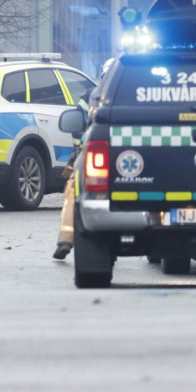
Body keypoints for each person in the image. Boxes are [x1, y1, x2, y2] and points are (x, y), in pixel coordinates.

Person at [53, 57, 115, 260]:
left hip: (91, 156)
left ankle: (65, 240)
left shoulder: (91, 95)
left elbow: (76, 124)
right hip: (129, 159)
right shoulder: (134, 92)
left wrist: (78, 149)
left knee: (73, 194)